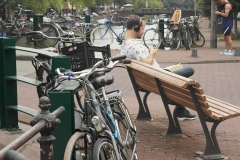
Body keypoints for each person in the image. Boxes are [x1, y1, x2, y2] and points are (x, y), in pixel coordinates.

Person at [120, 15, 196, 121]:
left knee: (179, 71)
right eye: (142, 29)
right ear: (135, 28)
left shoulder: (124, 46)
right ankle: (180, 111)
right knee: (189, 70)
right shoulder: (134, 45)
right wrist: (152, 53)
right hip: (157, 79)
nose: (143, 31)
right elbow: (147, 63)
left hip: (149, 79)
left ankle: (181, 110)